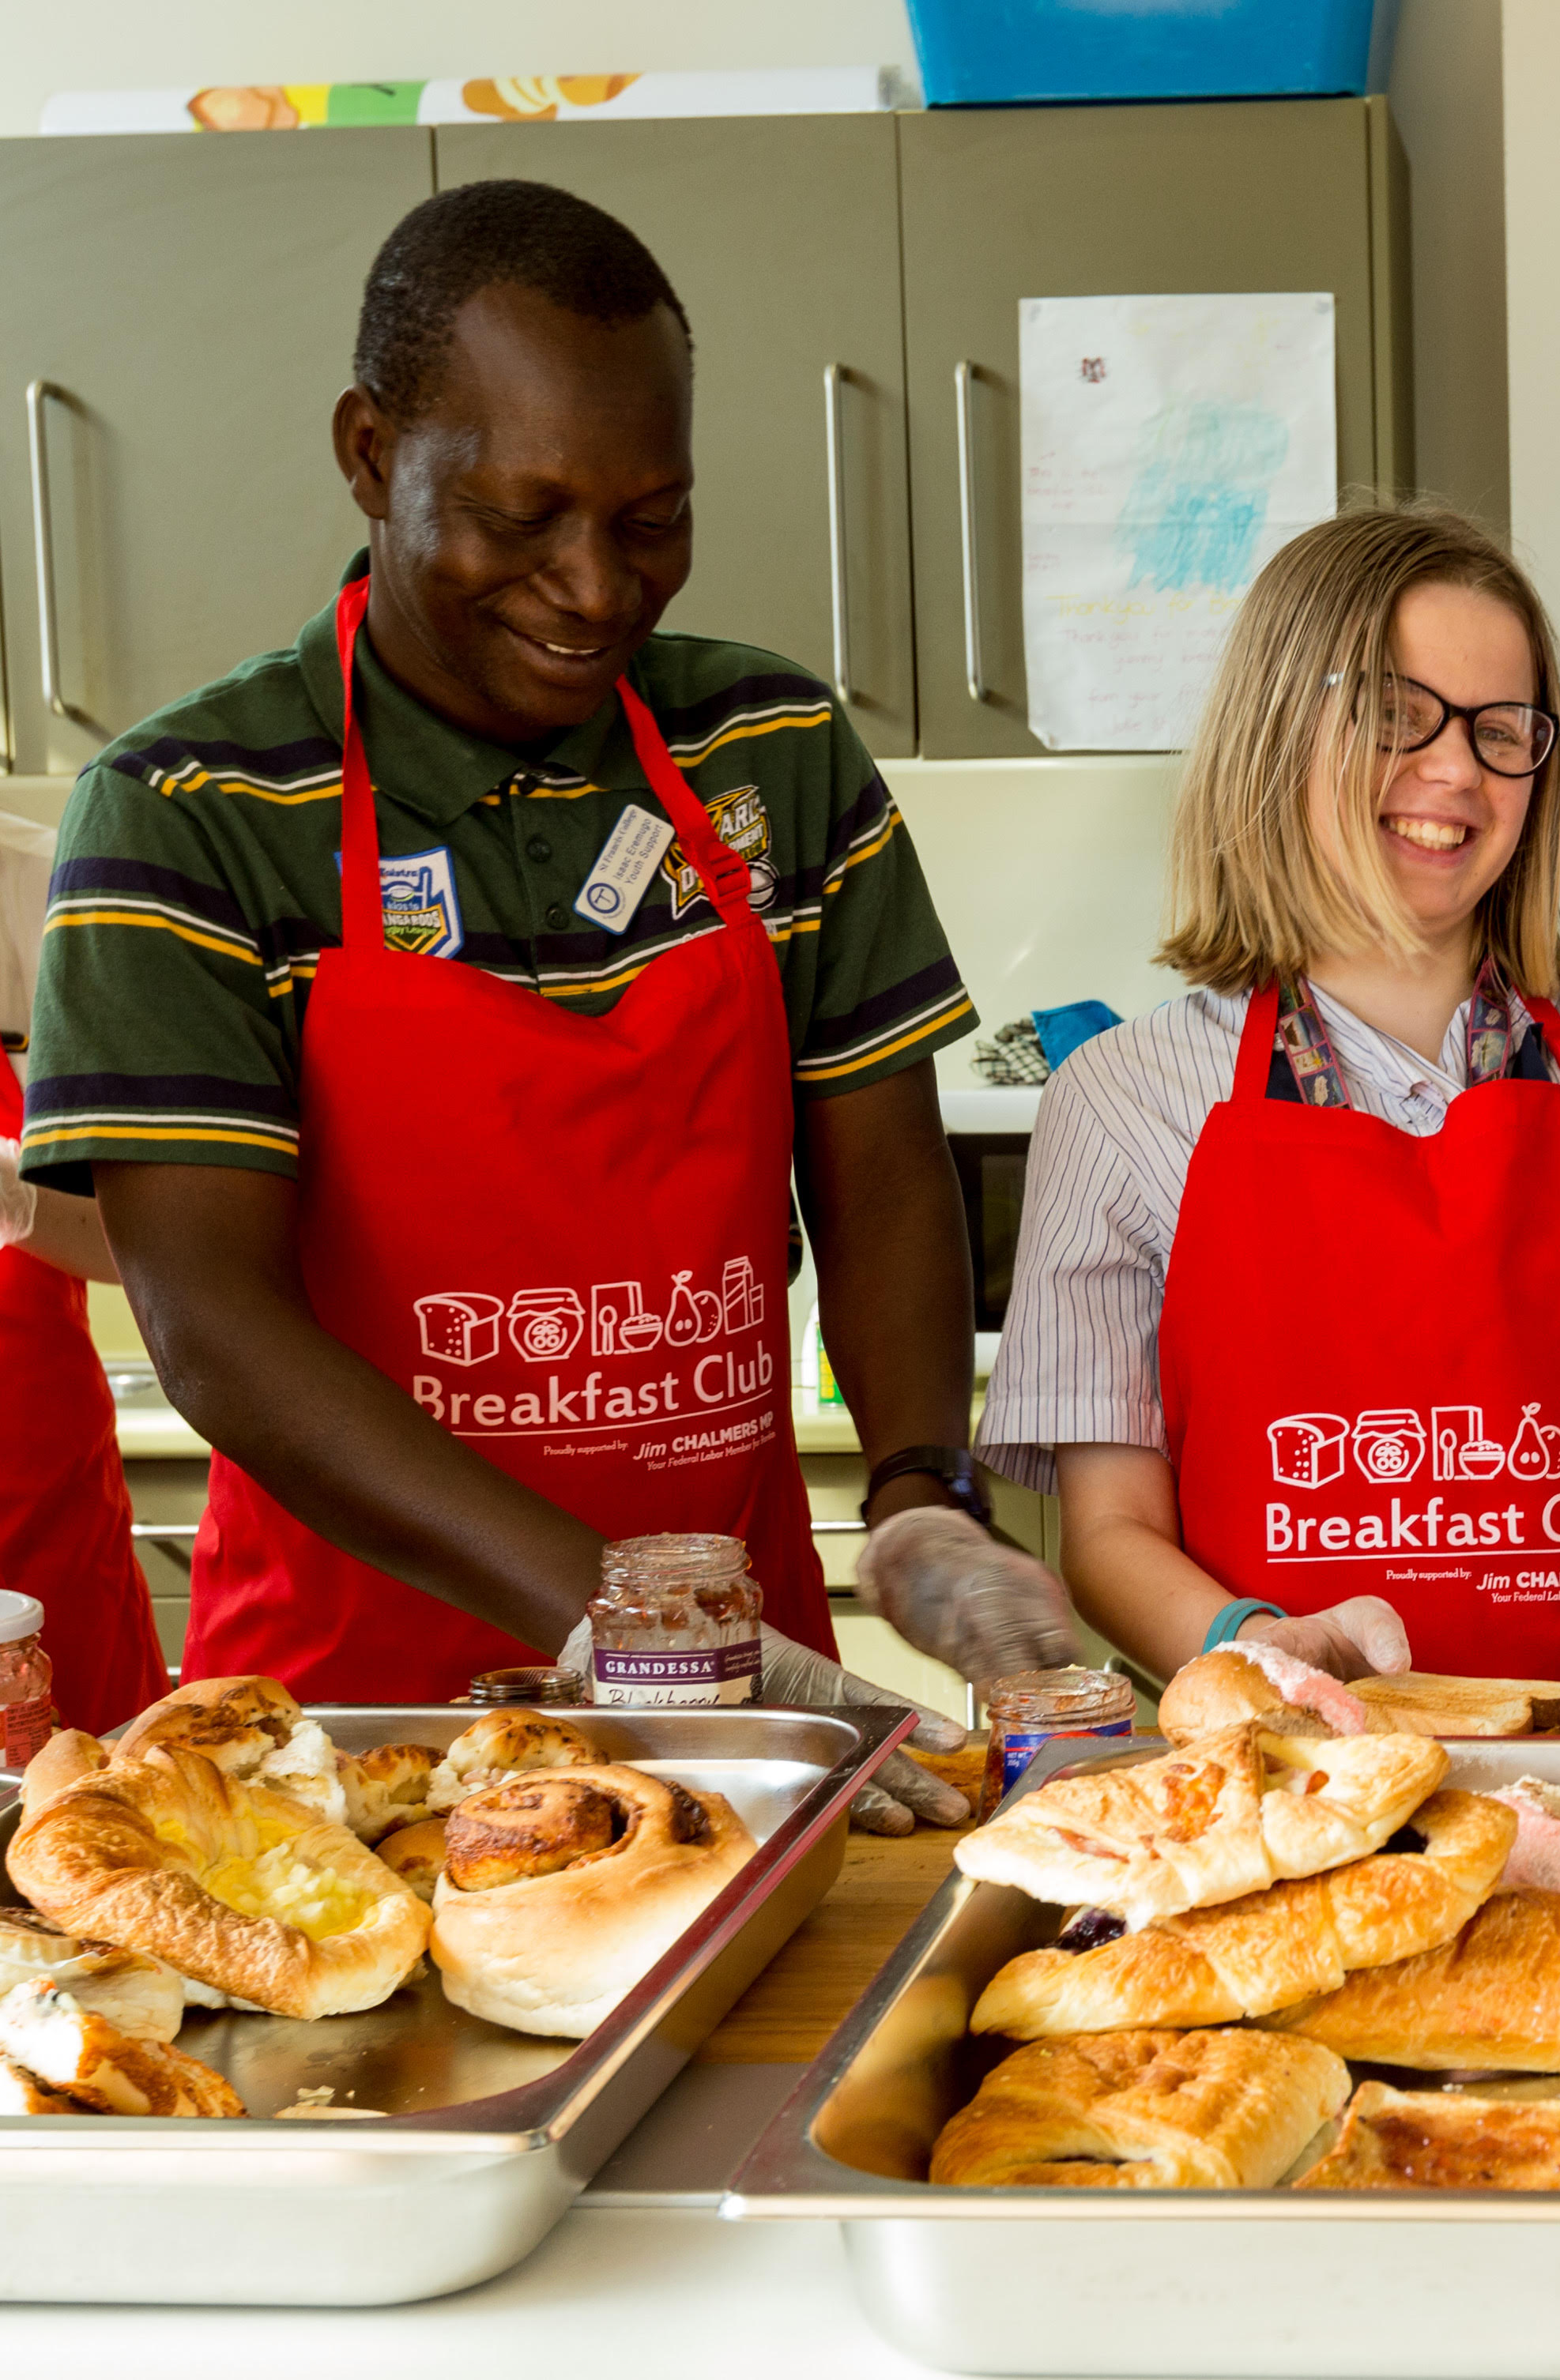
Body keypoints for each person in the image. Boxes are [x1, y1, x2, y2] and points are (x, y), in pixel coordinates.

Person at [17, 183, 1072, 1824]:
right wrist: (624, 1625)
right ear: (371, 453)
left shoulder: (769, 753)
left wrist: (921, 1488)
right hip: (345, 1743)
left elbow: (878, 1175)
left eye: (652, 519)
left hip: (746, 1717)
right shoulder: (190, 811)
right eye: (523, 519)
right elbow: (212, 1323)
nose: (593, 586)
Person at [977, 503, 1560, 1715]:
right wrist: (1262, 1648)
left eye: (1500, 730)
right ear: (1279, 728)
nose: (1457, 771)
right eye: (1395, 715)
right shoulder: (1122, 1101)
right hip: (1301, 1773)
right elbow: (1110, 1530)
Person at [2, 813, 168, 1738]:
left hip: (37, 1517)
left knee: (83, 1798)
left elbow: (157, 1243)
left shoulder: (39, 881)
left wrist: (16, 1196)